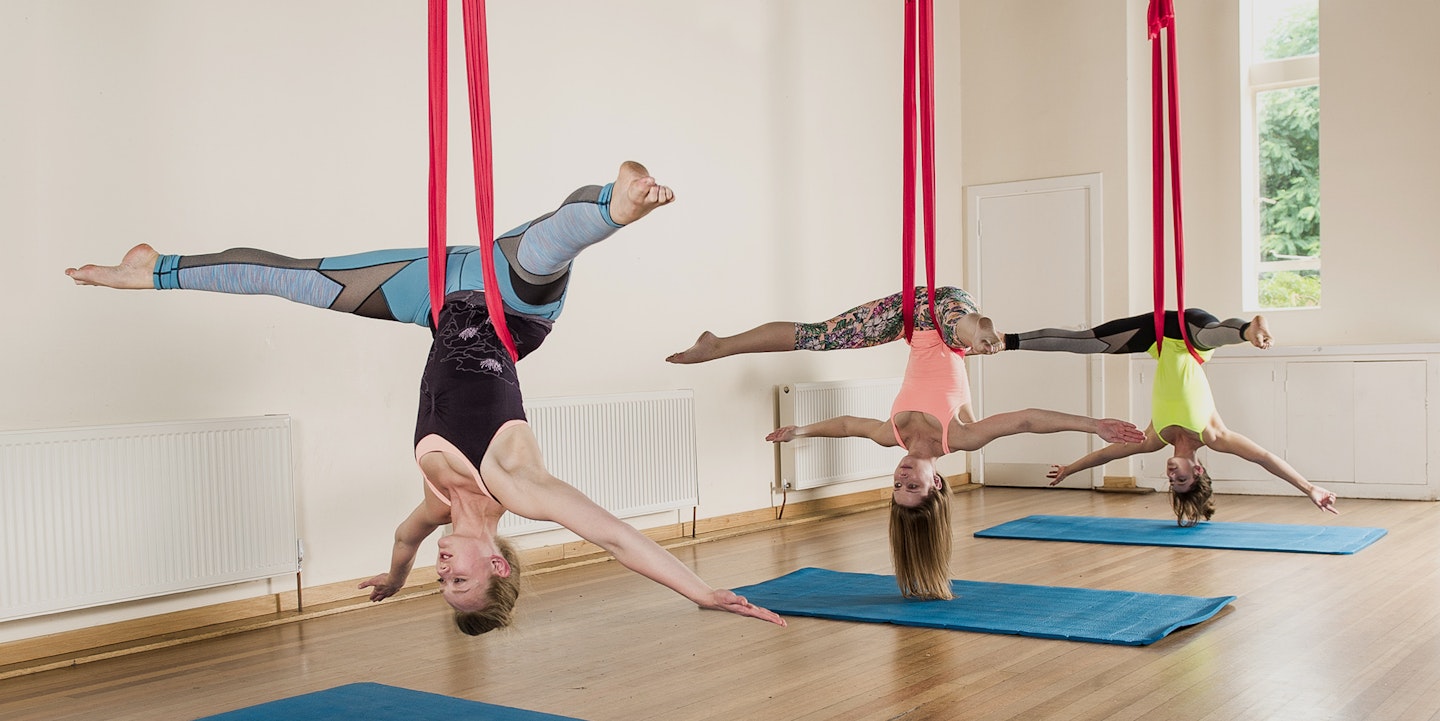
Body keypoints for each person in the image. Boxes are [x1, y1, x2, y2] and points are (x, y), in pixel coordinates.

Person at [67, 161, 785, 634]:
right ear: (497, 563)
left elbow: (409, 538)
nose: (446, 569)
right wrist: (700, 592)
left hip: (434, 295)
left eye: (443, 581)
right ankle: (616, 205)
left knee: (291, 278)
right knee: (548, 249)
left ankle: (152, 269)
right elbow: (615, 537)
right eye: (460, 577)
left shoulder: (437, 505)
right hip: (510, 302)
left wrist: (395, 573)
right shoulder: (519, 485)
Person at [667, 289, 1145, 600]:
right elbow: (1025, 421)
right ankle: (979, 331)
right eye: (911, 488)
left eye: (896, 487)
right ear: (935, 483)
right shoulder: (961, 437)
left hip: (907, 317)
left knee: (819, 338)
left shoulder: (890, 435)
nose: (900, 479)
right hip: (949, 311)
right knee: (959, 330)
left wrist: (800, 432)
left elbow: (850, 424)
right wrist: (1093, 424)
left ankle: (721, 345)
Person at [1004, 309, 1339, 525]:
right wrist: (1308, 487)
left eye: (1171, 482)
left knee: (1085, 342)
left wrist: (1070, 469)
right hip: (1192, 336)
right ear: (1197, 470)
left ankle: (1005, 342)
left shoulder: (1154, 438)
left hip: (1157, 338)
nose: (1171, 475)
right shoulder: (1214, 436)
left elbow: (1107, 453)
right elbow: (1265, 458)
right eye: (1181, 479)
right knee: (1212, 336)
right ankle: (1250, 329)